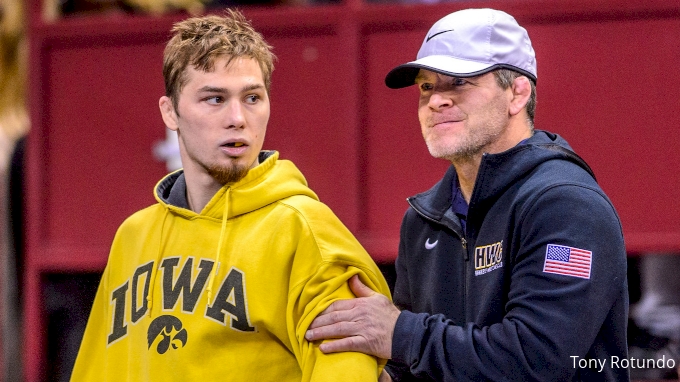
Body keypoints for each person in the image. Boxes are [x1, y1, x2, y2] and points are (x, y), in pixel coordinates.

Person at [305, 8, 628, 382]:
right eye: (426, 86)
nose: (435, 101)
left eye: (458, 82)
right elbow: (413, 364)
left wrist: (400, 334)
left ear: (517, 93)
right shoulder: (424, 217)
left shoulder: (566, 205)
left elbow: (538, 361)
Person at [71, 10, 391, 381]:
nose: (237, 118)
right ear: (170, 112)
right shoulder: (133, 236)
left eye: (252, 98)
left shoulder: (305, 231)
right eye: (214, 99)